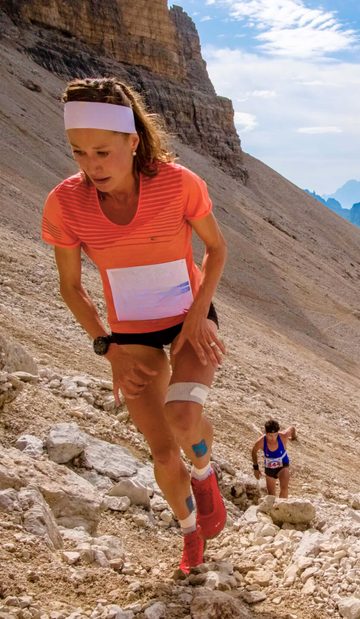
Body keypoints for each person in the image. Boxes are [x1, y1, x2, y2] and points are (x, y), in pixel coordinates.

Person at [42, 78, 229, 574]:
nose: (91, 165)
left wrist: (198, 314)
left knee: (185, 417)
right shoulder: (66, 203)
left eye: (103, 151)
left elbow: (216, 249)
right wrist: (110, 351)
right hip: (131, 335)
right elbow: (71, 288)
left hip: (189, 317)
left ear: (133, 141)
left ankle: (207, 475)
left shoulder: (179, 183)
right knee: (162, 450)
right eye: (79, 152)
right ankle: (190, 536)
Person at [251, 419, 296, 498]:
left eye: (275, 435)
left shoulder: (283, 436)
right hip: (270, 467)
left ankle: (282, 506)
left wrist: (293, 437)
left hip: (283, 464)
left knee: (284, 487)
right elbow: (254, 452)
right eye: (270, 436)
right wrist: (256, 468)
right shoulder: (261, 442)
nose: (273, 438)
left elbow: (292, 428)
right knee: (271, 494)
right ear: (265, 432)